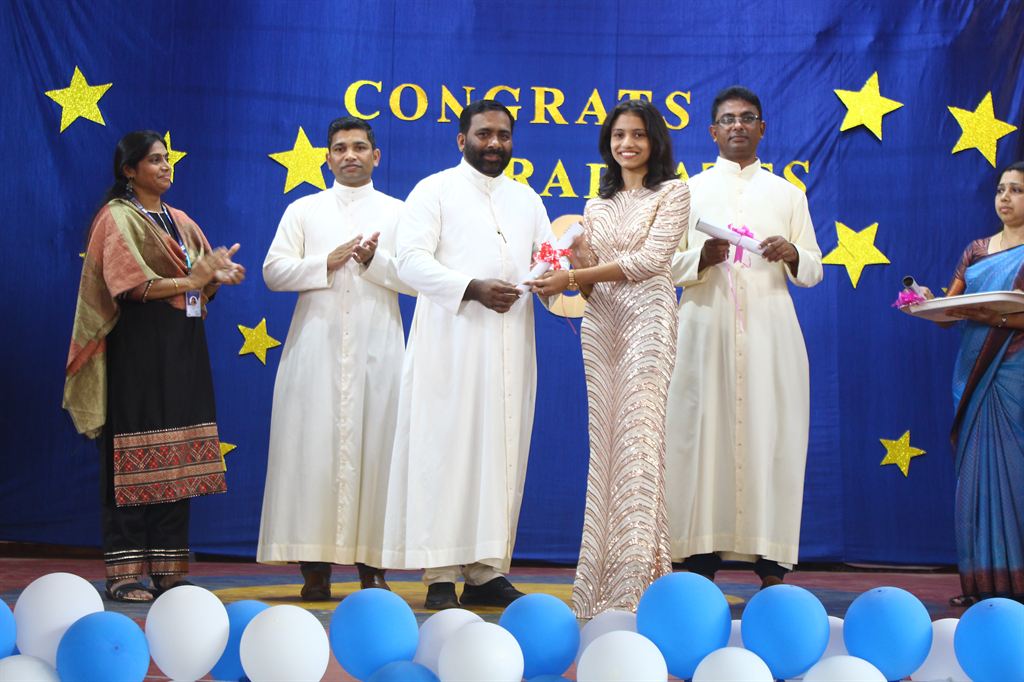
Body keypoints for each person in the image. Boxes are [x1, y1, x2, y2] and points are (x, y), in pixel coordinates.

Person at [381, 99, 553, 610]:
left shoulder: (526, 199)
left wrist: (562, 270)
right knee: (445, 449)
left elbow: (548, 259)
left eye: (503, 135)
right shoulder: (433, 190)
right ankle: (439, 574)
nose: (494, 143)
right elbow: (409, 261)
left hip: (511, 346)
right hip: (449, 346)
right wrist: (471, 287)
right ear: (462, 139)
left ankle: (485, 571)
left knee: (501, 451)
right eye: (484, 134)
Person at [63, 130, 245, 602]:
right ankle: (124, 573)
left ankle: (168, 569)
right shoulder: (116, 218)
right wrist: (192, 279)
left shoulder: (180, 220)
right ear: (129, 171)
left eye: (167, 159)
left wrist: (215, 277)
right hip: (137, 350)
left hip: (184, 348)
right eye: (154, 160)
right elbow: (130, 286)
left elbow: (200, 283)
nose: (166, 166)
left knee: (177, 455)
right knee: (132, 455)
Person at [528, 100, 690, 618]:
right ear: (607, 143)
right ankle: (605, 583)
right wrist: (572, 260)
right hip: (601, 325)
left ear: (655, 141)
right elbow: (591, 280)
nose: (628, 144)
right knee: (607, 448)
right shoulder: (595, 206)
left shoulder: (674, 192)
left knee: (640, 444)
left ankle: (634, 585)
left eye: (638, 135)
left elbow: (649, 262)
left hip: (649, 322)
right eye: (619, 135)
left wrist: (575, 274)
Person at [664, 86, 823, 587]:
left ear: (762, 128)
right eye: (728, 119)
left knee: (771, 435)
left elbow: (814, 267)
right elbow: (662, 265)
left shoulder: (788, 194)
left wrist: (792, 253)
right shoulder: (686, 193)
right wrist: (699, 258)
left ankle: (770, 560)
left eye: (748, 118)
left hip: (769, 333)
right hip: (703, 328)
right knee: (699, 435)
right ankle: (699, 556)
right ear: (713, 131)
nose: (738, 125)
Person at [256, 117, 413, 599]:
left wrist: (373, 262)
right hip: (315, 348)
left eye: (359, 147)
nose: (350, 155)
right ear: (327, 158)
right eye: (340, 148)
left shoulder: (400, 212)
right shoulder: (303, 209)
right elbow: (273, 272)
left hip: (378, 348)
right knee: (311, 452)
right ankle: (314, 569)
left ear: (376, 157)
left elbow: (418, 279)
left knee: (378, 449)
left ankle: (374, 567)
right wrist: (325, 262)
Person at [923, 160, 1024, 606]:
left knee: (1015, 472)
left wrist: (996, 318)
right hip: (972, 372)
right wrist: (925, 302)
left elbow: (992, 312)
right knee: (976, 475)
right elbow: (951, 311)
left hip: (1014, 372)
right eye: (1001, 189)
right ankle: (981, 585)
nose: (1005, 198)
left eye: (1017, 190)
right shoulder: (977, 250)